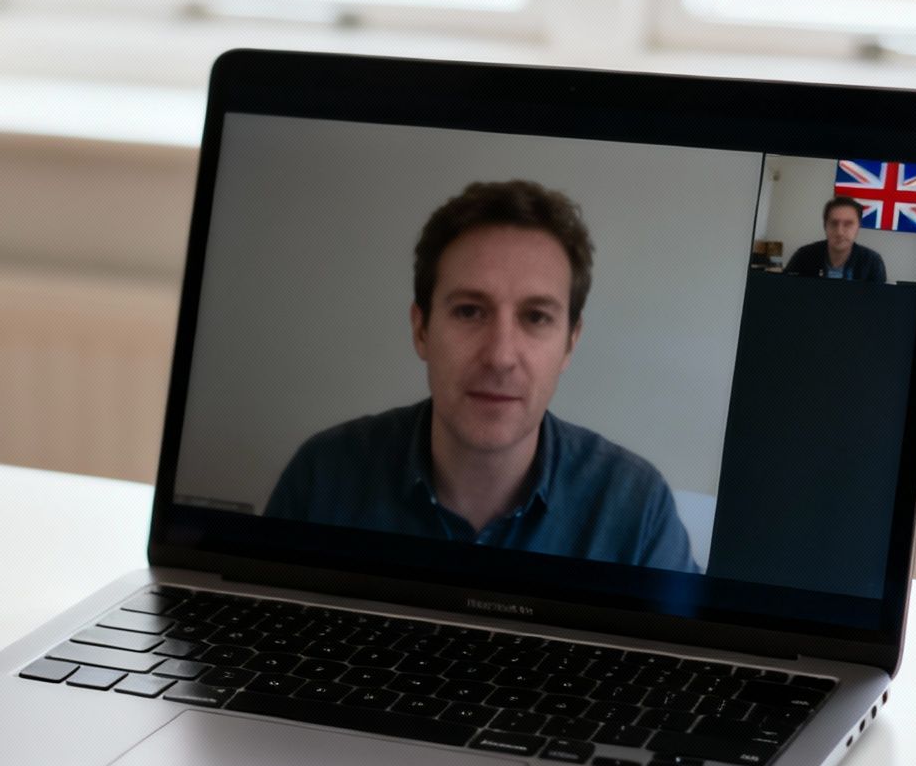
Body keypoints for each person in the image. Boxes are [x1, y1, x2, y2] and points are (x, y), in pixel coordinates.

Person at [264, 180, 699, 573]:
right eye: (470, 311)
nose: (500, 356)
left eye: (536, 317)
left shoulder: (636, 509)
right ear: (421, 330)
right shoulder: (321, 478)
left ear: (569, 343)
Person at [782, 196, 886, 282]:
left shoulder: (873, 263)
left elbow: (878, 304)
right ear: (825, 226)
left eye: (848, 224)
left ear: (858, 227)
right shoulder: (803, 256)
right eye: (834, 223)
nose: (839, 232)